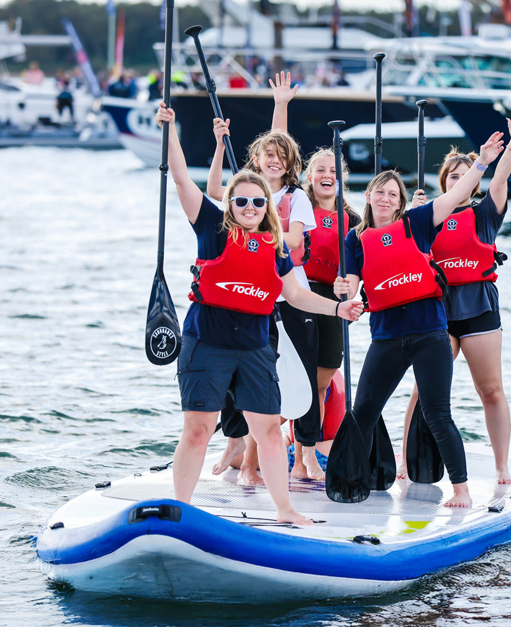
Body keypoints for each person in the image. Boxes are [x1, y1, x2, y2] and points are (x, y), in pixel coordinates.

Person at [155, 102, 363, 526]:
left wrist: (338, 307)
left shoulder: (276, 245)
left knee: (268, 429)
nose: (249, 207)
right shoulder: (212, 228)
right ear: (230, 204)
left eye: (256, 201)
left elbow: (297, 295)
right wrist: (169, 131)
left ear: (265, 207)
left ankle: (285, 510)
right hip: (207, 341)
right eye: (241, 200)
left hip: (253, 346)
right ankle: (182, 508)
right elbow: (181, 180)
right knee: (198, 429)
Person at [333, 130, 504, 508]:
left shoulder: (419, 223)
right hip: (388, 338)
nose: (385, 198)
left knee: (437, 413)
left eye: (393, 194)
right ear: (369, 196)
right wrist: (346, 291)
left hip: (430, 335)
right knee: (363, 411)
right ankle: (352, 476)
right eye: (380, 192)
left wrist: (482, 163)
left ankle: (461, 490)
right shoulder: (355, 240)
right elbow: (354, 283)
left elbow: (458, 195)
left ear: (400, 204)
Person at [402, 109, 511, 485]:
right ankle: (404, 462)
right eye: (453, 177)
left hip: (478, 308)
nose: (460, 180)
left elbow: (502, 174)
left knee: (489, 389)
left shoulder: (487, 210)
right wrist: (413, 215)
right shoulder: (427, 216)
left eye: (465, 175)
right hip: (438, 311)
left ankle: (501, 465)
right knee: (423, 389)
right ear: (445, 183)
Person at [206, 76, 319, 485]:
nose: (274, 161)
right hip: (252, 299)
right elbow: (215, 190)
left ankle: (298, 453)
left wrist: (252, 231)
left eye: (281, 158)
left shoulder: (293, 197)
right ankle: (238, 444)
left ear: (290, 165)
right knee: (245, 372)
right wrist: (220, 146)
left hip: (289, 297)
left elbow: (291, 240)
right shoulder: (245, 192)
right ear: (255, 159)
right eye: (266, 156)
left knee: (291, 374)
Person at [287, 145, 362, 479]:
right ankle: (301, 456)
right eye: (320, 170)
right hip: (299, 292)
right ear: (308, 176)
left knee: (322, 378)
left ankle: (307, 451)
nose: (327, 176)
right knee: (296, 378)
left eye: (334, 171)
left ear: (342, 177)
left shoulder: (355, 221)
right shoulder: (296, 207)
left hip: (333, 300)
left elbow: (366, 262)